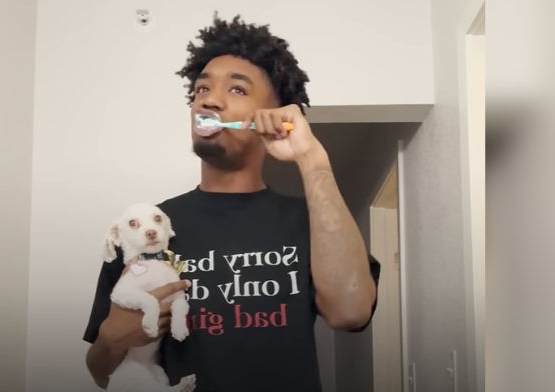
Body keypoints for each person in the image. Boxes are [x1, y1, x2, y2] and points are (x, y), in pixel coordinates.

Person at [83, 15, 380, 392]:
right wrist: (111, 338)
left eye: (237, 90)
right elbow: (99, 372)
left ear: (276, 115)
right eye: (202, 88)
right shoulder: (147, 227)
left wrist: (312, 159)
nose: (209, 98)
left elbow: (350, 313)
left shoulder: (312, 222)